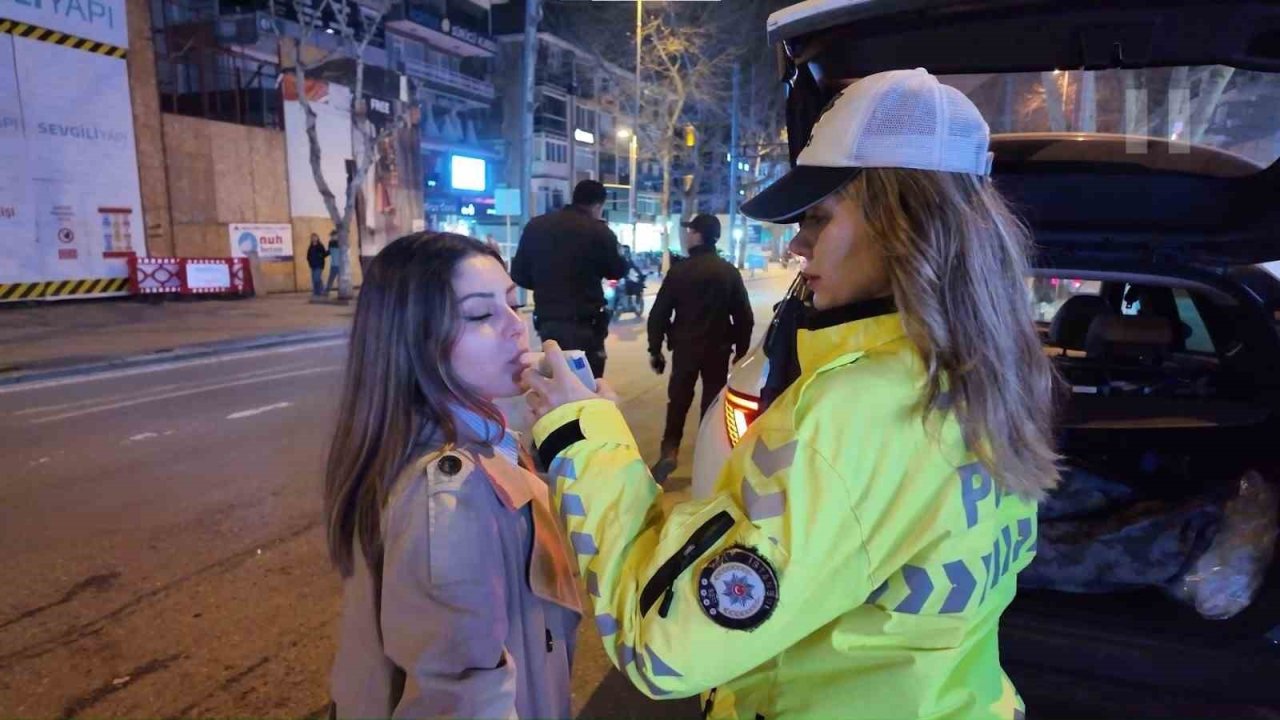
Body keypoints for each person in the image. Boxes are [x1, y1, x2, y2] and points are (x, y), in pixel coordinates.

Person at [521, 69, 1060, 719]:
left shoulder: (853, 412)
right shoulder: (987, 376)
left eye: (818, 218)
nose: (797, 244)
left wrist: (582, 435)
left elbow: (662, 646)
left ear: (902, 225)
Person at [326, 232, 581, 718]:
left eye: (513, 303)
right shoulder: (448, 494)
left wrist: (581, 441)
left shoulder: (485, 442)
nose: (517, 327)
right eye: (481, 314)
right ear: (415, 339)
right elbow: (463, 702)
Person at [647, 213, 753, 482]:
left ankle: (670, 451)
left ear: (699, 235)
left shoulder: (680, 271)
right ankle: (709, 457)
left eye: (691, 231)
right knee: (712, 405)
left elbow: (659, 314)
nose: (687, 236)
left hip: (685, 349)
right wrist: (741, 352)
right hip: (718, 350)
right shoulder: (728, 272)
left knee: (678, 401)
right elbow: (744, 317)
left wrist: (655, 349)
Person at [512, 179, 627, 378]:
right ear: (598, 205)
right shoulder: (599, 231)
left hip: (548, 323)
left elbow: (519, 274)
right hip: (586, 325)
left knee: (555, 378)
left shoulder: (536, 226)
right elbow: (617, 270)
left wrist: (546, 285)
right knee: (586, 385)